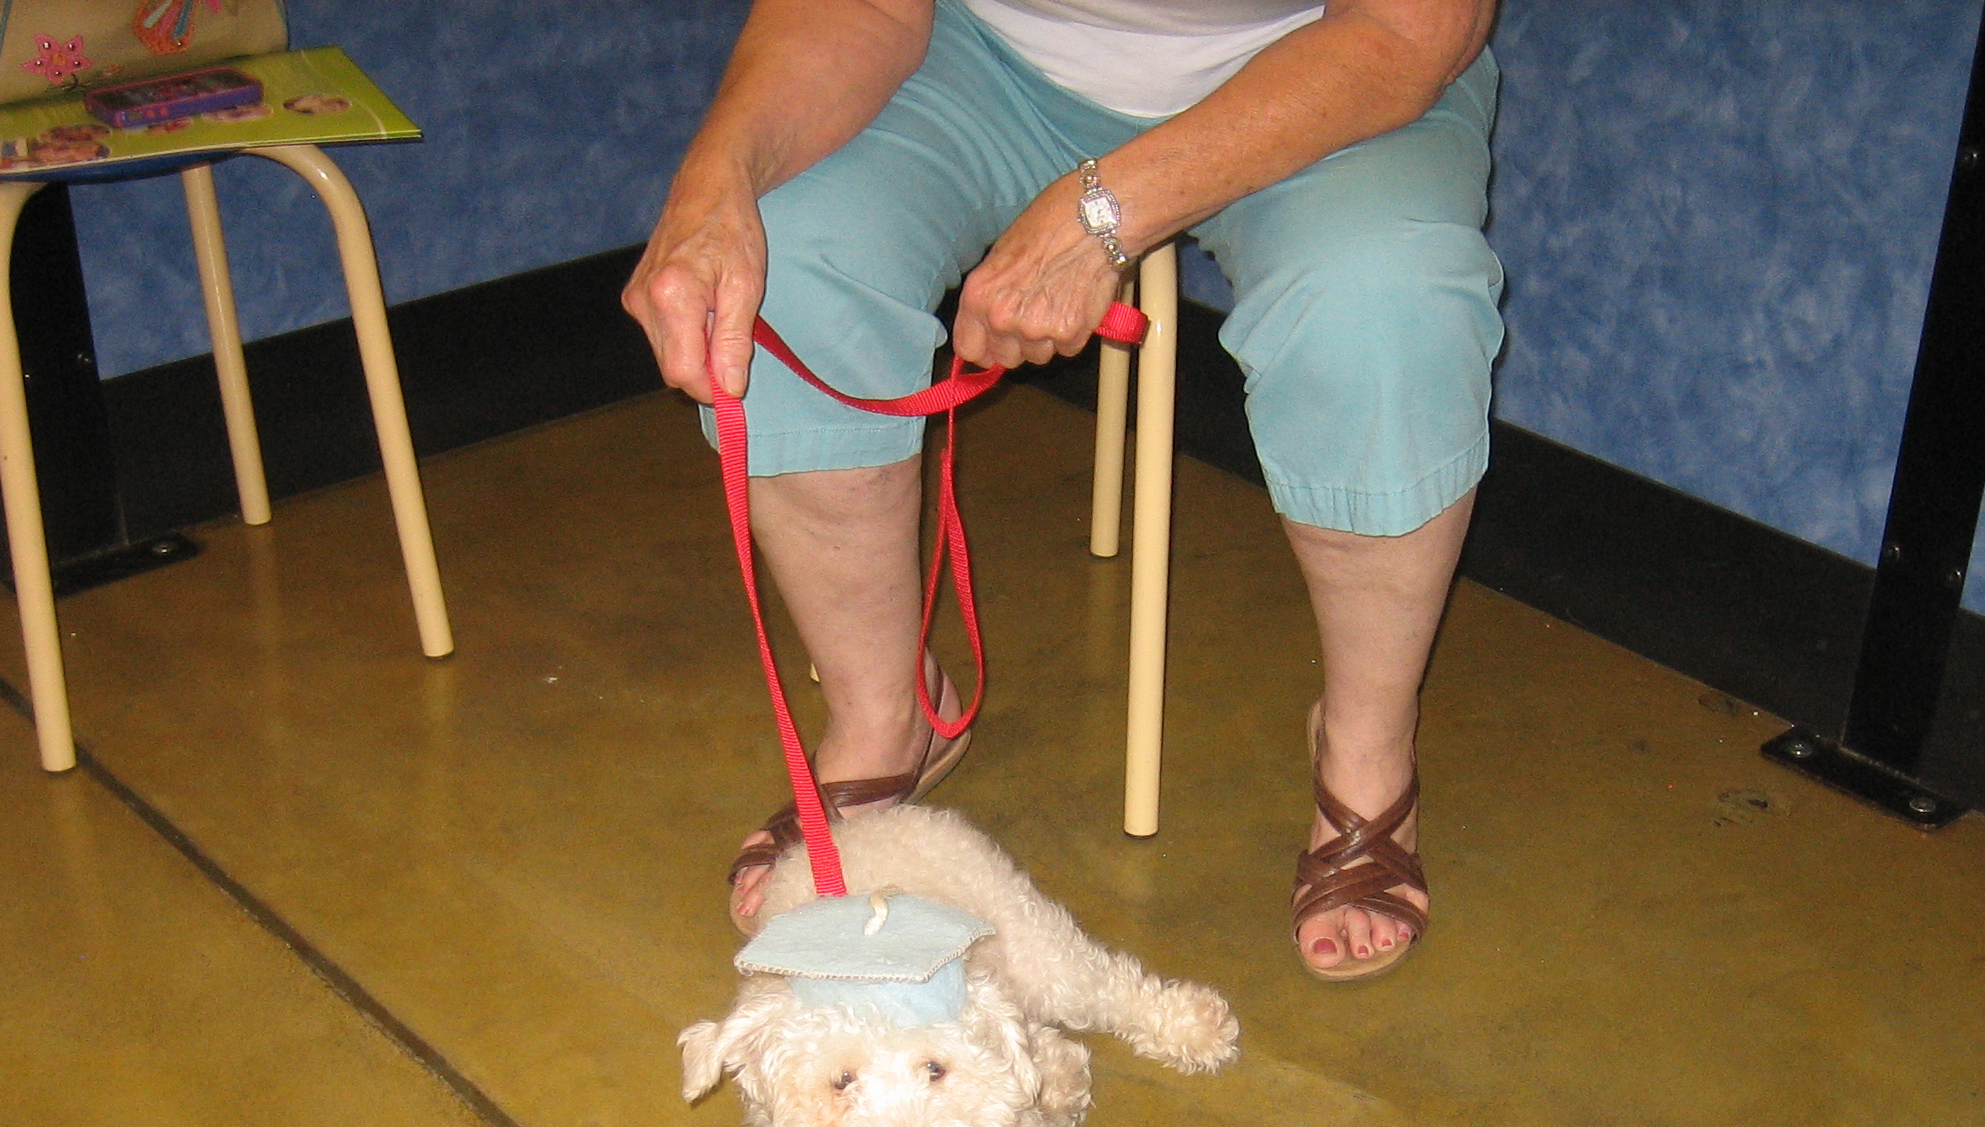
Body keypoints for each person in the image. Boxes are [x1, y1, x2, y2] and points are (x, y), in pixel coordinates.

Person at [626, 0, 1502, 981]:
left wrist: (1105, 213)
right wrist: (718, 180)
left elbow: (1409, 31)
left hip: (1334, 68)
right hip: (988, 56)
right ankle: (885, 713)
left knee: (1385, 306)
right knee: (784, 262)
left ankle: (1368, 747)